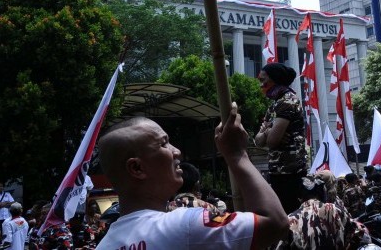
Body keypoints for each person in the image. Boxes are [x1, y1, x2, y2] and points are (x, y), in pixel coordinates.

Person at [96, 102, 289, 249]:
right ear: (137, 168)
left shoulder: (104, 245)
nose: (177, 151)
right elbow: (275, 224)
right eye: (164, 144)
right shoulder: (185, 225)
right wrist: (238, 155)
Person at [254, 62, 308, 214]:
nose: (261, 85)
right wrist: (269, 131)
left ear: (275, 79)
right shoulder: (274, 105)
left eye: (263, 80)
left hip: (291, 173)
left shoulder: (288, 101)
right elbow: (258, 141)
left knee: (290, 218)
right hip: (277, 171)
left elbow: (272, 141)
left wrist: (268, 133)